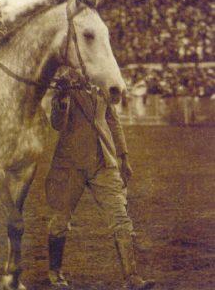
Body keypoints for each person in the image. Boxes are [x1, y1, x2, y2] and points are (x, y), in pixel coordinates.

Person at [46, 80, 156, 290]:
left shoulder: (102, 83)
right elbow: (57, 124)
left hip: (103, 162)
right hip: (70, 164)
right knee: (60, 219)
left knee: (120, 216)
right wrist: (60, 101)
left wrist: (124, 156)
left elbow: (113, 121)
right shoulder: (64, 84)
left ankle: (131, 278)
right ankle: (55, 272)